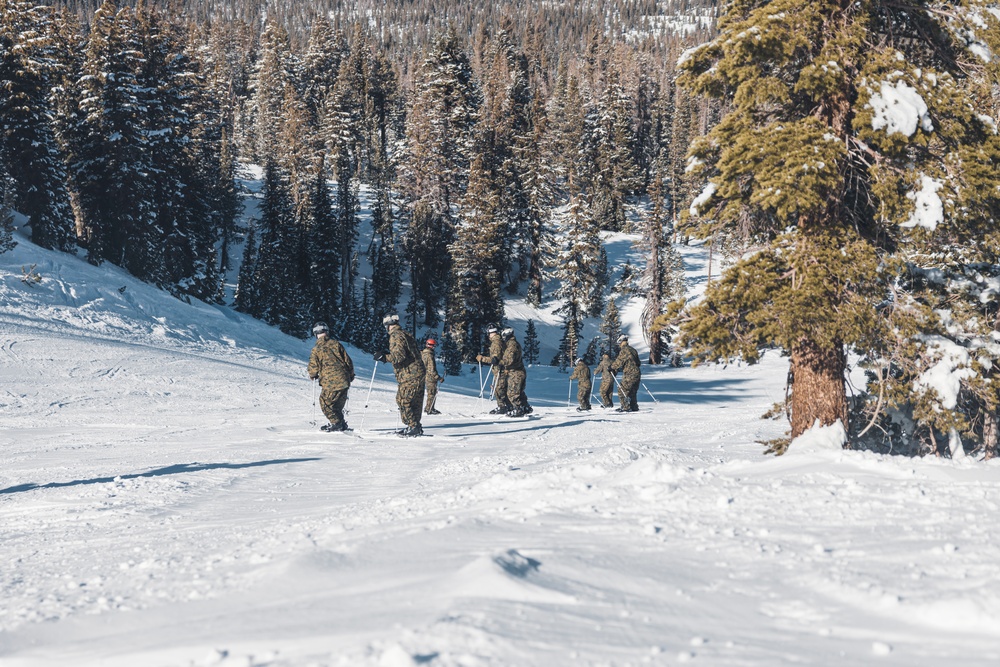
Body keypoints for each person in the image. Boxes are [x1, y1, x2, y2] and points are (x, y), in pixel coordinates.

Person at [374, 314, 426, 436]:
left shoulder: (395, 336)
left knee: (403, 400)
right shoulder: (405, 334)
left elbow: (399, 356)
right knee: (415, 401)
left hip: (409, 374)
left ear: (387, 326)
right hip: (417, 372)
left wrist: (384, 357)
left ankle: (413, 426)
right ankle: (414, 426)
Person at [307, 322, 355, 432]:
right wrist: (351, 375)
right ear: (327, 332)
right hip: (344, 380)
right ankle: (341, 423)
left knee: (325, 403)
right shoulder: (336, 344)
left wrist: (313, 375)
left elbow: (313, 366)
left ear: (315, 334)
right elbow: (348, 361)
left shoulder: (317, 348)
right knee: (337, 405)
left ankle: (336, 423)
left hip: (330, 382)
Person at [476, 325, 510, 414]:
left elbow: (495, 359)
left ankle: (502, 407)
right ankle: (507, 406)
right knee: (501, 387)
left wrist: (483, 358)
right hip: (500, 368)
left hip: (499, 369)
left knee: (499, 388)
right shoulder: (499, 341)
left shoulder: (496, 342)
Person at [500, 327, 529, 417]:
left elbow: (509, 360)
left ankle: (518, 409)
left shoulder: (512, 345)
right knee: (519, 391)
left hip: (515, 372)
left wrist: (500, 362)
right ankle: (525, 407)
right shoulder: (512, 344)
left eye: (503, 335)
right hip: (518, 371)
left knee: (512, 392)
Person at [611, 334, 641, 412]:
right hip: (637, 373)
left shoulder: (624, 350)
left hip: (629, 373)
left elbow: (619, 361)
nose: (619, 346)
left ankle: (625, 407)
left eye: (619, 344)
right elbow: (638, 362)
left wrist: (612, 367)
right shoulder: (633, 350)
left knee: (622, 389)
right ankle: (633, 406)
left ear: (621, 342)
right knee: (632, 391)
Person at [422, 338, 444, 415]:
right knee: (432, 393)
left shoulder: (423, 354)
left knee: (430, 393)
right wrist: (438, 377)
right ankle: (429, 408)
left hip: (424, 376)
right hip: (430, 377)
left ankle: (429, 408)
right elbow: (431, 369)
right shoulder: (429, 356)